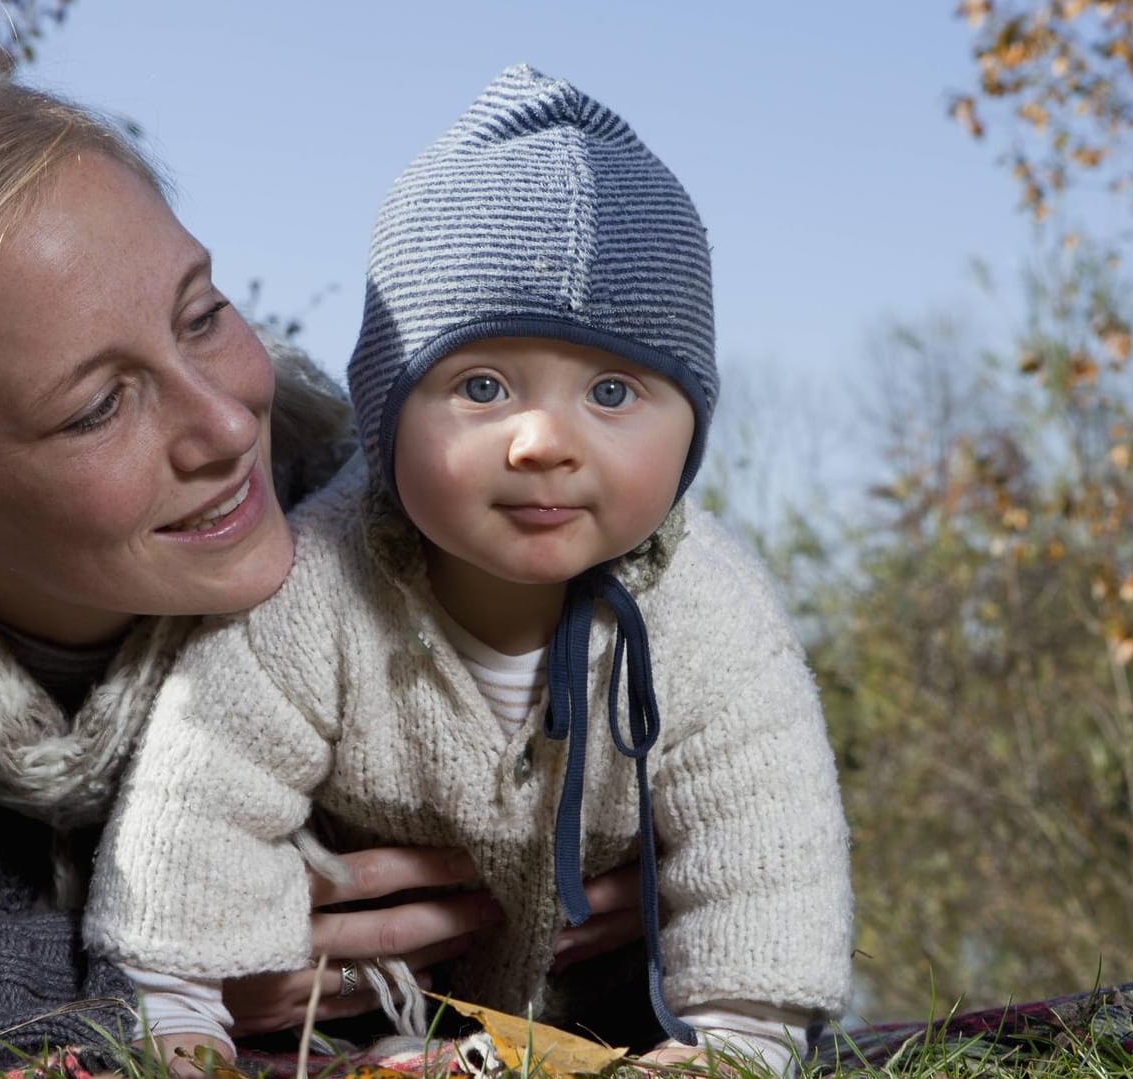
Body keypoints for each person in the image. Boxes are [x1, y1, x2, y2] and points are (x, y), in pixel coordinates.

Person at [0, 59, 649, 1078]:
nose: (224, 423)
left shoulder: (404, 527)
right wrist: (164, 965)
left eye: (201, 314)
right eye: (95, 408)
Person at [86, 65, 854, 1078]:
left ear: (692, 426)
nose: (543, 439)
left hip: (611, 1017)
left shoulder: (708, 613)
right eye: (480, 385)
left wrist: (738, 1037)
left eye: (615, 390)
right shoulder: (313, 587)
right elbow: (203, 797)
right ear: (385, 409)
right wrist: (179, 1009)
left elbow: (766, 836)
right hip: (354, 1018)